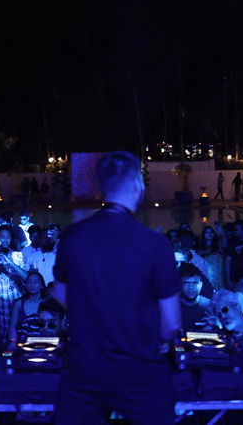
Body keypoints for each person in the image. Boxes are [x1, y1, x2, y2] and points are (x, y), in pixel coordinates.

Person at [51, 151, 181, 425]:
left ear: (103, 186)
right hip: (141, 371)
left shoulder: (72, 236)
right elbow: (171, 325)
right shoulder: (155, 244)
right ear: (137, 185)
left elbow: (60, 295)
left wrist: (95, 316)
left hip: (84, 371)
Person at [178, 263, 210, 332]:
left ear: (201, 285)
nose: (191, 287)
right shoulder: (171, 307)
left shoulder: (210, 306)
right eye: (186, 283)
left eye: (195, 283)